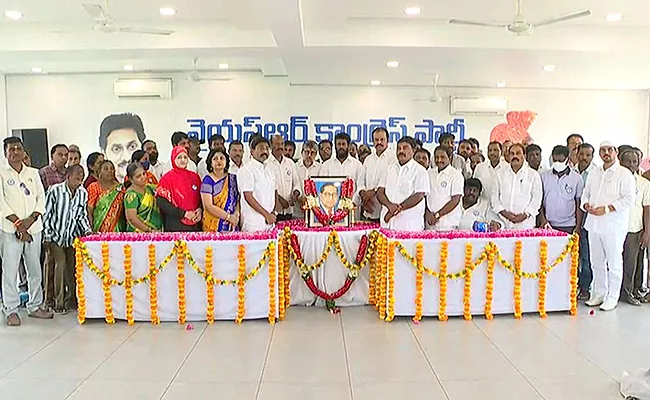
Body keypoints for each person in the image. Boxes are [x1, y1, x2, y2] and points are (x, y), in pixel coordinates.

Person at [0, 137, 53, 326]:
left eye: (18, 149)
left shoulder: (33, 173)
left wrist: (30, 221)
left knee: (34, 269)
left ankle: (35, 306)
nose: (15, 152)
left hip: (34, 228)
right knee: (10, 271)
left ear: (23, 152)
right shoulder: (2, 173)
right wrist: (18, 224)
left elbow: (41, 198)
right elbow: (1, 203)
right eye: (11, 149)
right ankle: (11, 309)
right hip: (10, 230)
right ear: (5, 153)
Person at [581, 141, 635, 311]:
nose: (606, 153)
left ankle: (612, 297)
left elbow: (628, 199)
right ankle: (598, 293)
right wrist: (586, 205)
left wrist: (606, 209)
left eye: (609, 150)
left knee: (614, 263)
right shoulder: (595, 173)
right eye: (603, 150)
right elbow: (585, 193)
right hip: (594, 224)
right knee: (596, 262)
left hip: (613, 226)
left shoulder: (624, 174)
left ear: (615, 152)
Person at [43, 164, 92, 314]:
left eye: (81, 179)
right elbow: (46, 214)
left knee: (73, 268)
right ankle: (57, 302)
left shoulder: (82, 193)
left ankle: (71, 299)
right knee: (59, 265)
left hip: (71, 237)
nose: (79, 182)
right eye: (77, 179)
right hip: (55, 236)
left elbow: (81, 215)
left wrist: (88, 232)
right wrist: (47, 236)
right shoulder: (55, 190)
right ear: (68, 177)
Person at [377, 137, 429, 231]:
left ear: (413, 151)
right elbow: (380, 191)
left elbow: (419, 196)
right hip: (387, 225)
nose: (401, 151)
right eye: (399, 148)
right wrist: (390, 206)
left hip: (409, 226)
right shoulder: (389, 169)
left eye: (405, 148)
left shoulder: (420, 170)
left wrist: (397, 209)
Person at [619, 150, 650, 305]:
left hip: (634, 229)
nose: (631, 165)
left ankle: (628, 292)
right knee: (615, 262)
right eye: (628, 161)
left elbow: (647, 209)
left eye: (635, 162)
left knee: (631, 264)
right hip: (616, 228)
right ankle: (615, 292)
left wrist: (647, 232)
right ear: (620, 162)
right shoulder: (615, 180)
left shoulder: (644, 183)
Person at [491, 143, 542, 229]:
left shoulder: (533, 175)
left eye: (518, 153)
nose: (515, 156)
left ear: (524, 156)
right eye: (512, 153)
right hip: (503, 223)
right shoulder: (499, 174)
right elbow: (494, 197)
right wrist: (505, 213)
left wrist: (525, 215)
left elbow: (537, 199)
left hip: (525, 225)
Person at [539, 146, 584, 234]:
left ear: (567, 159)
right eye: (555, 160)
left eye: (560, 161)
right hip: (549, 224)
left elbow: (579, 204)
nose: (557, 163)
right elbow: (539, 201)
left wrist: (578, 227)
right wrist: (543, 220)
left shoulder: (577, 178)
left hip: (569, 225)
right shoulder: (543, 177)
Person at [320, 133, 366, 218]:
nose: (341, 147)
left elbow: (360, 186)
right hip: (331, 210)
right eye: (339, 144)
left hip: (352, 210)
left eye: (343, 144)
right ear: (335, 146)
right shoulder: (326, 165)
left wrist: (351, 204)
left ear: (348, 146)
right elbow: (321, 186)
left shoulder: (357, 165)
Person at [156, 146, 202, 232]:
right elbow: (161, 202)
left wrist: (200, 210)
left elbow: (201, 198)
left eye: (185, 157)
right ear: (173, 159)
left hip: (195, 222)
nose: (183, 160)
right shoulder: (166, 179)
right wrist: (183, 214)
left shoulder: (195, 177)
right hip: (175, 223)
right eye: (179, 157)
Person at [237, 136, 278, 232]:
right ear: (252, 151)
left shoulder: (269, 170)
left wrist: (274, 213)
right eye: (261, 148)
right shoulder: (246, 170)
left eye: (267, 148)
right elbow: (248, 196)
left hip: (270, 222)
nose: (265, 151)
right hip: (253, 223)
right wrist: (266, 215)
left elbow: (275, 191)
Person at [362, 127, 397, 223]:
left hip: (385, 211)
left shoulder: (393, 159)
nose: (379, 142)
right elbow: (361, 181)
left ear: (387, 140)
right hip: (367, 210)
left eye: (382, 139)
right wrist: (364, 197)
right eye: (376, 140)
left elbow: (391, 182)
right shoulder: (368, 159)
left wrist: (373, 191)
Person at [201, 149, 240, 232]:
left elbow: (237, 200)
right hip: (212, 225)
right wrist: (228, 217)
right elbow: (208, 206)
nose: (219, 160)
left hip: (232, 224)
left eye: (222, 158)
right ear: (210, 163)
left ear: (226, 162)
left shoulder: (233, 179)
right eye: (215, 159)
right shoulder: (207, 180)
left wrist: (236, 215)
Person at [99, 113, 146, 182]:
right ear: (104, 153)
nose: (126, 158)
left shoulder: (150, 183)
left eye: (132, 147)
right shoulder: (99, 188)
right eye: (116, 149)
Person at [426, 146, 464, 230]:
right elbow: (425, 196)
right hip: (430, 224)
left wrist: (437, 215)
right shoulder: (429, 173)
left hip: (448, 224)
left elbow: (455, 200)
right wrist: (428, 214)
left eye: (442, 157)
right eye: (436, 157)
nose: (439, 160)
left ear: (449, 158)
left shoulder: (456, 175)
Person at [575, 143, 596, 300]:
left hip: (589, 223)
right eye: (582, 154)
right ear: (577, 154)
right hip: (572, 221)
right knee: (573, 257)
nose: (584, 158)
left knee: (587, 258)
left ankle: (585, 287)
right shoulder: (571, 172)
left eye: (588, 155)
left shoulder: (596, 174)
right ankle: (572, 286)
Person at [267, 135, 300, 221]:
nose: (280, 147)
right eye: (277, 144)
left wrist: (295, 194)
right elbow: (267, 187)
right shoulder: (266, 164)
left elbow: (296, 182)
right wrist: (280, 200)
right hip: (273, 212)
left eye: (282, 144)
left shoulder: (290, 163)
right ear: (271, 145)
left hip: (289, 211)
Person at [87, 160, 126, 232]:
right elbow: (90, 210)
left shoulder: (121, 188)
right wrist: (91, 229)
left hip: (118, 230)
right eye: (106, 169)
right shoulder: (94, 187)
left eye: (112, 168)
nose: (110, 171)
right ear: (99, 172)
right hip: (99, 229)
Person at [123, 163, 163, 233]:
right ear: (131, 179)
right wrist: (149, 230)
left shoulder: (150, 188)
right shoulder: (131, 195)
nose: (143, 177)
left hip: (156, 231)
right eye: (138, 176)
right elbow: (132, 218)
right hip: (138, 235)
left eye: (144, 174)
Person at [294, 140, 321, 219]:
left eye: (312, 153)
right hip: (297, 210)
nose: (309, 155)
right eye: (307, 152)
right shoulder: (295, 167)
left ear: (316, 154)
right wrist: (300, 199)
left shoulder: (320, 168)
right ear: (302, 152)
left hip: (314, 211)